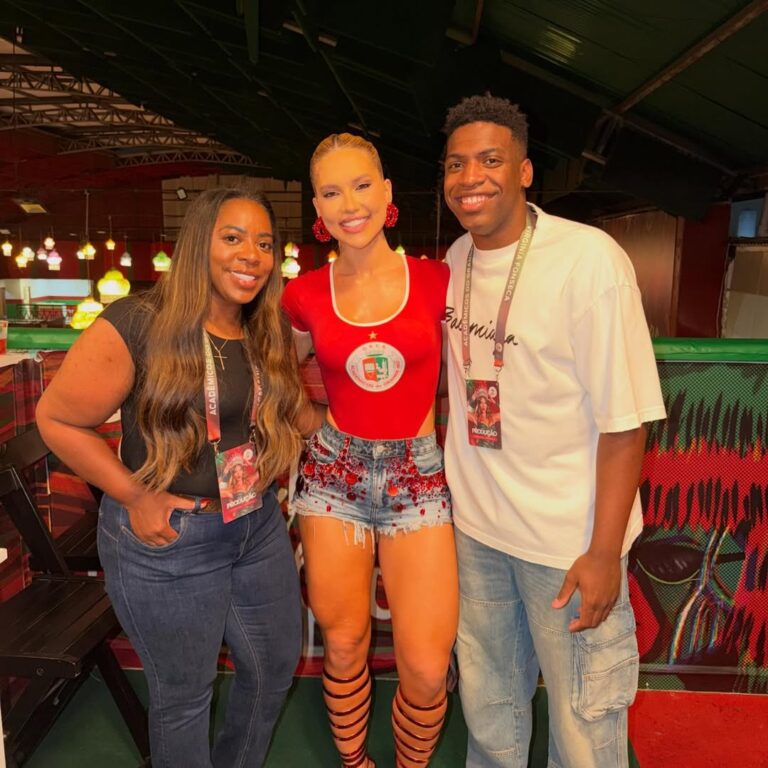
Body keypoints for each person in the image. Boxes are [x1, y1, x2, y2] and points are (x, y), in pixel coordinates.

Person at [36, 188, 317, 768]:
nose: (252, 254)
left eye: (265, 243)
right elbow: (57, 420)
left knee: (272, 670)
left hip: (256, 523)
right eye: (233, 237)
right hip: (170, 538)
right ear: (198, 244)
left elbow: (293, 412)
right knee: (184, 699)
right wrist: (133, 494)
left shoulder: (264, 325)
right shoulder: (138, 321)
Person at [440, 95, 666, 768]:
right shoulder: (455, 258)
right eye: (455, 164)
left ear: (525, 171)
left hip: (566, 548)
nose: (470, 178)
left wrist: (602, 553)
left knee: (583, 732)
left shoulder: (588, 261)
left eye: (490, 160)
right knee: (490, 716)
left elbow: (624, 424)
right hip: (479, 534)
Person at [281, 133, 458, 768]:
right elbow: (278, 374)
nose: (349, 204)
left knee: (427, 666)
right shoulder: (302, 294)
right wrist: (312, 421)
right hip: (335, 476)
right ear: (318, 208)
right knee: (345, 642)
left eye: (361, 186)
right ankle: (355, 764)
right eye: (331, 192)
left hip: (419, 477)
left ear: (386, 193)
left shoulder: (438, 279)